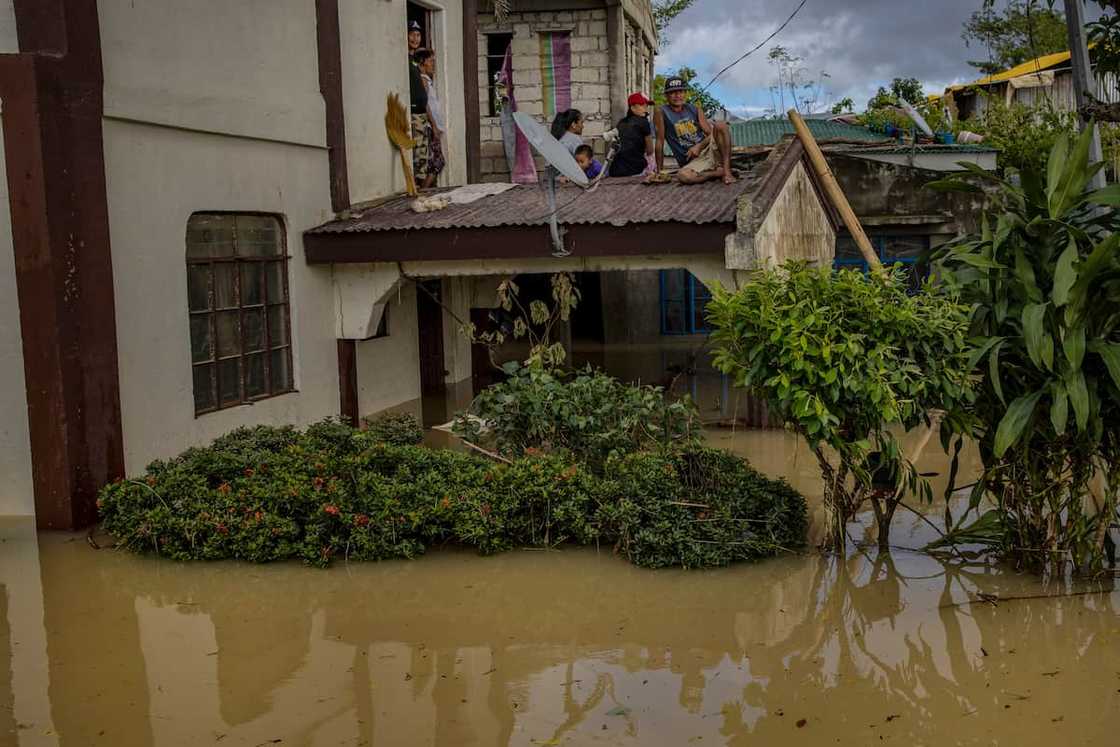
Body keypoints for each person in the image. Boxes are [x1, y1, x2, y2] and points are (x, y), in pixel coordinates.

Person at [654, 76, 735, 185]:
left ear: (685, 93)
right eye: (673, 93)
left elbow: (711, 135)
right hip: (693, 161)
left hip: (709, 151)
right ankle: (718, 173)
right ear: (666, 95)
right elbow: (659, 142)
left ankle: (727, 171)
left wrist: (699, 146)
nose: (677, 96)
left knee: (721, 125)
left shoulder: (694, 109)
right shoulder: (662, 112)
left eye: (680, 92)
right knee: (684, 176)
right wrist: (660, 171)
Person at [415, 48, 446, 182]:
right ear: (422, 62)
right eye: (430, 61)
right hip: (429, 127)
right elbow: (425, 104)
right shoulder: (423, 80)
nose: (433, 65)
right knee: (435, 162)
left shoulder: (427, 80)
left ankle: (423, 192)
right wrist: (434, 126)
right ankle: (422, 192)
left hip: (433, 126)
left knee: (434, 163)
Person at [609, 92, 655, 177]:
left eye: (646, 106)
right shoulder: (644, 122)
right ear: (633, 108)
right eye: (642, 105)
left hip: (615, 169)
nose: (646, 109)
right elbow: (650, 150)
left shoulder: (621, 122)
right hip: (635, 169)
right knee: (651, 162)